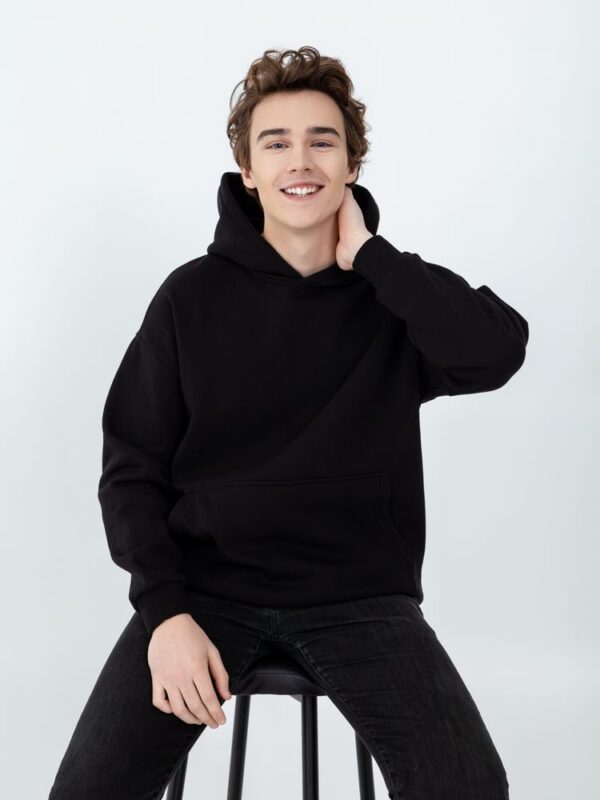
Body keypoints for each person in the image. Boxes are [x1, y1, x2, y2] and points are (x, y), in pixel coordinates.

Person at [48, 46, 528, 800]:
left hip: (361, 597)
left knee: (469, 786)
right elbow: (131, 473)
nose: (299, 161)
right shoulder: (188, 301)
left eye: (321, 141)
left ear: (351, 165)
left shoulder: (392, 297)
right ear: (248, 170)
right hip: (203, 595)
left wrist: (373, 258)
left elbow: (496, 353)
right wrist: (165, 615)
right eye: (276, 143)